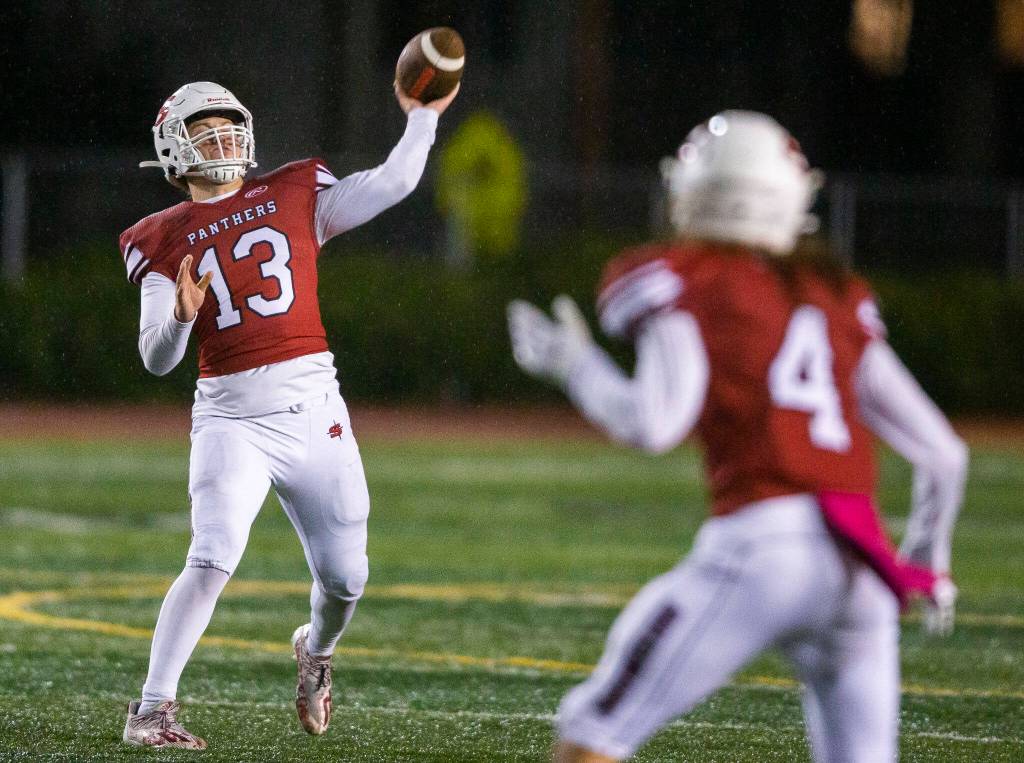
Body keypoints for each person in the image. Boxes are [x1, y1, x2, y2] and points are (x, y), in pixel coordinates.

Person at [507, 110, 967, 763]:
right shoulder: (833, 292)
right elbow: (945, 455)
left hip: (761, 545)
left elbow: (653, 422)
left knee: (594, 737)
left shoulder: (684, 276)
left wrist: (575, 365)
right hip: (860, 563)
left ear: (691, 190)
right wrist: (925, 561)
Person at [119, 79, 458, 750]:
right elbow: (156, 358)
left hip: (313, 409)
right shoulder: (160, 236)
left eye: (227, 126)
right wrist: (182, 319)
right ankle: (151, 710)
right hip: (230, 418)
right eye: (203, 131)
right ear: (173, 149)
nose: (222, 140)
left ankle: (316, 650)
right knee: (211, 553)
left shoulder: (295, 192)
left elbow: (393, 182)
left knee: (347, 576)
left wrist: (422, 118)